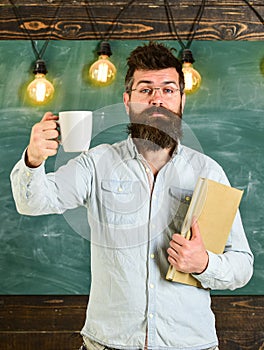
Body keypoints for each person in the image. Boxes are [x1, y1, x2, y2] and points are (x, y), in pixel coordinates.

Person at [11, 42, 253, 350]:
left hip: (190, 344)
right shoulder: (95, 164)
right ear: (127, 101)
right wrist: (34, 160)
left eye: (168, 90)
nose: (157, 100)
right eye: (145, 90)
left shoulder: (207, 171)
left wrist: (204, 264)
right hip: (108, 343)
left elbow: (242, 265)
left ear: (181, 100)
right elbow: (32, 202)